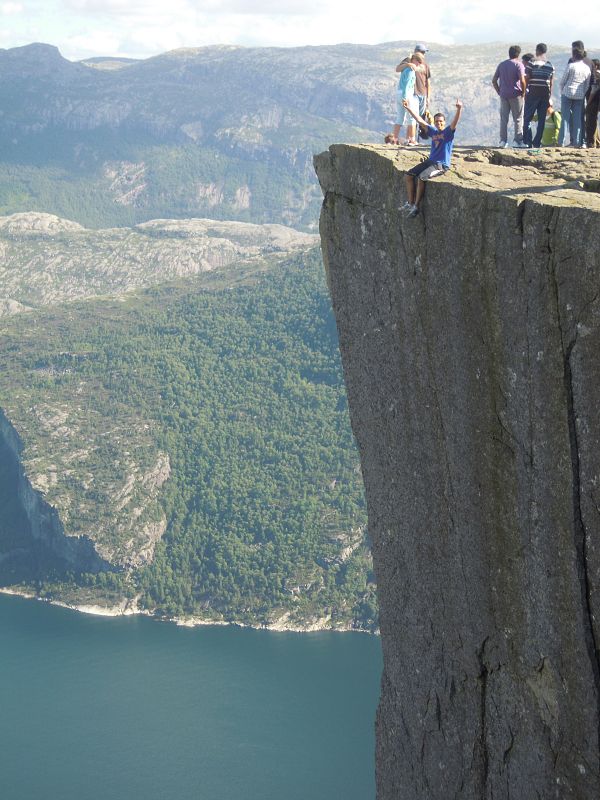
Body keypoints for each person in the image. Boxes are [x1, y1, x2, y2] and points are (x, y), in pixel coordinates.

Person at [400, 98, 463, 218]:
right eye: (437, 121)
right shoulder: (433, 132)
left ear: (444, 122)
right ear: (434, 122)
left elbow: (455, 122)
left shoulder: (448, 133)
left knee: (421, 177)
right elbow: (419, 120)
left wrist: (459, 109)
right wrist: (408, 108)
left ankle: (416, 206)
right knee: (408, 176)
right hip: (430, 161)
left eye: (441, 121)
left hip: (441, 165)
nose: (439, 123)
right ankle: (410, 202)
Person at [492, 45, 527, 148]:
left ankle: (503, 141)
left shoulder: (502, 65)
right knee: (518, 118)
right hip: (516, 95)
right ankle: (518, 141)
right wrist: (523, 92)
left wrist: (499, 91)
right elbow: (522, 80)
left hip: (504, 95)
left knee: (504, 119)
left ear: (509, 53)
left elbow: (494, 80)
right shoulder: (518, 65)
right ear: (518, 54)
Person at [523, 43, 554, 149]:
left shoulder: (532, 63)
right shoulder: (550, 65)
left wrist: (525, 91)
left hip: (533, 93)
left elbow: (527, 78)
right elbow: (551, 82)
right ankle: (537, 143)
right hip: (545, 94)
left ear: (537, 51)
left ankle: (527, 141)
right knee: (541, 120)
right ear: (545, 51)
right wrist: (549, 96)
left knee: (527, 117)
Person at [558, 48, 591, 147]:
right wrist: (582, 93)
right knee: (577, 120)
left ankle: (561, 142)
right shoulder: (587, 68)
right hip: (579, 96)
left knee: (565, 118)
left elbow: (563, 81)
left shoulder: (571, 66)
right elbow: (587, 84)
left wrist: (562, 91)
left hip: (567, 93)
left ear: (574, 56)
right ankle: (577, 142)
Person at [396, 44, 432, 133]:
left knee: (419, 118)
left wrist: (428, 97)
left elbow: (428, 82)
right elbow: (397, 69)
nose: (423, 54)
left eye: (424, 52)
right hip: (412, 93)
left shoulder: (425, 65)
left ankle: (415, 138)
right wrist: (408, 64)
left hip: (422, 93)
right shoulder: (408, 60)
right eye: (422, 52)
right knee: (412, 117)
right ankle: (411, 138)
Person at [393, 52, 425, 146]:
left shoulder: (405, 69)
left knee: (400, 117)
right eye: (418, 61)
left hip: (398, 93)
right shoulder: (411, 70)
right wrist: (405, 98)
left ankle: (394, 139)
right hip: (406, 95)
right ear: (413, 60)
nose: (418, 63)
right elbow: (407, 85)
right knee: (412, 118)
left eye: (420, 62)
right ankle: (412, 140)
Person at [570, 41, 596, 145]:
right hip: (590, 92)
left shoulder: (572, 61)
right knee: (590, 117)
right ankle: (589, 140)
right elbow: (593, 80)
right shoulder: (590, 62)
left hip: (577, 91)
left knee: (577, 116)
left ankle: (577, 140)